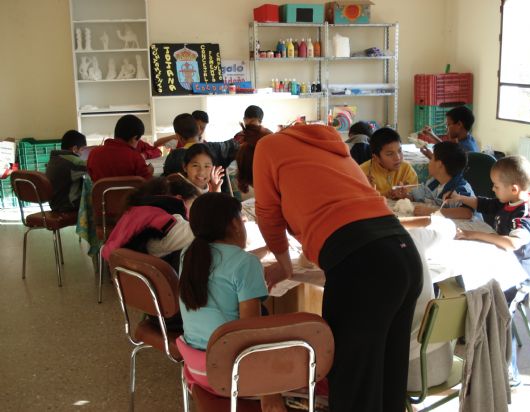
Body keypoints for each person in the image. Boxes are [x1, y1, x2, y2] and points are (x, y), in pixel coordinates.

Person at [237, 123, 423, 412]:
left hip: (363, 262)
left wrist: (285, 266)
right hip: (403, 251)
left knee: (353, 379)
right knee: (388, 372)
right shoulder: (325, 142)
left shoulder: (266, 148)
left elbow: (268, 216)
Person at [176, 192, 286, 412]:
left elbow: (225, 263)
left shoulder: (188, 254)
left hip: (196, 369)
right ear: (236, 224)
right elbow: (249, 333)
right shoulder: (245, 264)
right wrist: (269, 390)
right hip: (232, 375)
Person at [447, 155, 530, 387]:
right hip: (499, 267)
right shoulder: (510, 199)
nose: (493, 189)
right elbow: (487, 203)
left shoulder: (526, 214)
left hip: (517, 278)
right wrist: (461, 198)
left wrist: (473, 234)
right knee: (464, 280)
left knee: (500, 316)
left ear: (514, 188)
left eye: (496, 186)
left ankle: (509, 372)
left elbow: (512, 243)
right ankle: (469, 330)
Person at [400, 215, 456, 392]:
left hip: (407, 373)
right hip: (445, 361)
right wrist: (411, 221)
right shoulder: (414, 235)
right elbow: (449, 227)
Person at [102, 176, 199, 271]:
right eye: (193, 207)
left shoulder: (139, 213)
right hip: (162, 282)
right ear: (179, 199)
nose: (193, 215)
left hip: (131, 276)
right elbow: (202, 229)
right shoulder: (167, 223)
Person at [163, 113, 238, 194]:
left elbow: (167, 184)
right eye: (195, 165)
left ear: (178, 137)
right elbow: (238, 145)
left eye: (207, 166)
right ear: (198, 129)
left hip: (184, 205)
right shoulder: (218, 148)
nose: (201, 172)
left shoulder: (174, 157)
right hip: (220, 200)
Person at [410, 141, 478, 219]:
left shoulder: (460, 188)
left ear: (439, 164)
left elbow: (467, 212)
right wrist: (407, 196)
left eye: (432, 158)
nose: (429, 162)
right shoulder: (433, 182)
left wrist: (431, 212)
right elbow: (419, 196)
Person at [87, 114, 153, 181]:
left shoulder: (93, 154)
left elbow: (91, 178)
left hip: (101, 191)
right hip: (131, 191)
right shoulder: (135, 157)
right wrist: (149, 172)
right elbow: (147, 183)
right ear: (134, 138)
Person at [359, 127, 418, 199]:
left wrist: (406, 196)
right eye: (390, 154)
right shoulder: (362, 172)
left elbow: (416, 196)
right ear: (376, 158)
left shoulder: (406, 169)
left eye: (399, 151)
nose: (398, 158)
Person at [46, 130, 88, 212]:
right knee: (100, 198)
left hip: (55, 204)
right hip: (68, 205)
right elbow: (94, 166)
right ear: (75, 149)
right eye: (83, 150)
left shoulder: (56, 158)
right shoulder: (72, 161)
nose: (83, 154)